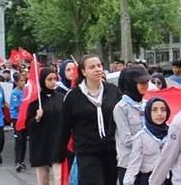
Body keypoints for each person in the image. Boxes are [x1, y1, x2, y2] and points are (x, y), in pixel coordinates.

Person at [56, 54, 122, 185]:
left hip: (111, 151)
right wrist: (59, 153)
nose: (97, 69)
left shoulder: (112, 91)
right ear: (83, 72)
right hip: (87, 152)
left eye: (99, 65)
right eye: (92, 67)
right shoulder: (73, 96)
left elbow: (121, 118)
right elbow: (64, 126)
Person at [28, 67, 65, 185]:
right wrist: (36, 118)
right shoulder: (35, 101)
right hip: (41, 143)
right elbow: (27, 125)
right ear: (42, 80)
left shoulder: (61, 98)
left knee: (59, 178)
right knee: (43, 180)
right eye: (50, 79)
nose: (53, 82)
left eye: (55, 79)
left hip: (58, 143)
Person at [124, 97, 171, 185]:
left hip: (170, 179)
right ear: (148, 112)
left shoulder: (173, 134)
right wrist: (128, 182)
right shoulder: (141, 136)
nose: (160, 114)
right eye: (155, 110)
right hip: (148, 179)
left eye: (163, 109)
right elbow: (134, 163)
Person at [115, 66, 151, 183]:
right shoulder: (121, 108)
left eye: (146, 82)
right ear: (131, 84)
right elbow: (126, 139)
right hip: (128, 163)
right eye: (141, 82)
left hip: (147, 163)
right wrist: (150, 142)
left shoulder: (147, 105)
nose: (145, 85)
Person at [10, 72, 28, 172]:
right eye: (21, 81)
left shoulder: (26, 91)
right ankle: (17, 161)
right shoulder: (15, 92)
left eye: (24, 81)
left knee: (24, 139)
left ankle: (22, 160)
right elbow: (19, 107)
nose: (23, 83)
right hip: (17, 118)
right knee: (19, 139)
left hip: (25, 118)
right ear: (16, 82)